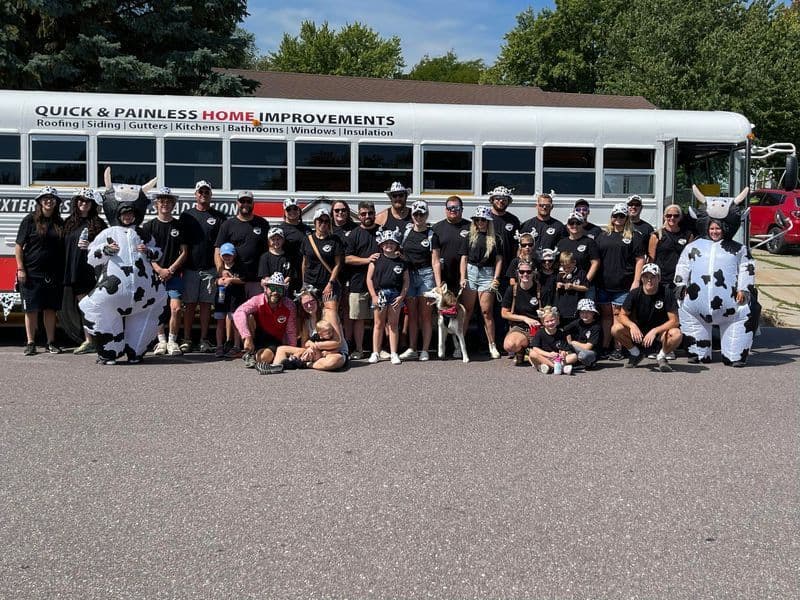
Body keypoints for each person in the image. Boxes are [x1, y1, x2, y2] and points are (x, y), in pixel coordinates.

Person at [80, 189, 166, 365]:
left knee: (148, 314)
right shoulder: (108, 233)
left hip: (144, 293)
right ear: (118, 214)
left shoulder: (143, 234)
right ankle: (110, 351)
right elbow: (91, 256)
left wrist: (148, 251)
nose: (127, 217)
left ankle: (136, 350)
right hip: (112, 291)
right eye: (124, 214)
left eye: (130, 214)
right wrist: (106, 250)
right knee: (97, 308)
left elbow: (158, 253)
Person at [674, 186, 757, 367]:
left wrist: (744, 289)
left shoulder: (739, 249)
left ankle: (735, 355)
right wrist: (680, 284)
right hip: (696, 304)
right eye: (712, 228)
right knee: (693, 323)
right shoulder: (693, 247)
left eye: (718, 229)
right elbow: (683, 266)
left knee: (741, 319)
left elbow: (747, 269)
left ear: (725, 228)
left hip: (732, 304)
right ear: (706, 227)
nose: (714, 231)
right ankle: (699, 352)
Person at [15, 187, 65, 355]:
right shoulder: (30, 220)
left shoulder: (60, 222)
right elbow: (19, 246)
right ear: (39, 202)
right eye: (45, 198)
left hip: (53, 274)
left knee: (50, 309)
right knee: (31, 309)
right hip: (31, 273)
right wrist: (21, 268)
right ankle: (30, 342)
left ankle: (51, 342)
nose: (49, 201)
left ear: (57, 202)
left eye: (52, 198)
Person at [179, 180, 227, 353]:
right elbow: (181, 244)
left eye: (206, 192)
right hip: (190, 268)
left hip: (210, 269)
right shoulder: (186, 216)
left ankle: (204, 339)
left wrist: (221, 269)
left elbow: (221, 246)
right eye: (200, 192)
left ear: (211, 195)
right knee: (190, 305)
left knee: (206, 305)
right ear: (195, 194)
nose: (203, 195)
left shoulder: (219, 217)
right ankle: (186, 339)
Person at [595, 202, 646, 360]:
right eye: (615, 215)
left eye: (622, 215)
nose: (618, 218)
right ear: (611, 217)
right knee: (606, 316)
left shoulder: (634, 236)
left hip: (624, 285)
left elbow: (640, 260)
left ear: (626, 217)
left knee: (619, 317)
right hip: (604, 284)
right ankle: (605, 347)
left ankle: (619, 348)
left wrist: (636, 281)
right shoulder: (602, 236)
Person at [612, 263, 682, 372]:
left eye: (653, 277)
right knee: (615, 329)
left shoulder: (667, 293)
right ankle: (636, 354)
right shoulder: (634, 293)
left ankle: (661, 356)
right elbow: (622, 315)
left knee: (677, 334)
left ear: (659, 278)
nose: (649, 280)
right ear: (641, 278)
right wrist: (632, 325)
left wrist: (655, 330)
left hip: (660, 334)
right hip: (639, 334)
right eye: (646, 277)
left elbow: (675, 321)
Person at [142, 187, 188, 357]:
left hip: (174, 275)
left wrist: (170, 269)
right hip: (155, 275)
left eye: (169, 201)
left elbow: (184, 252)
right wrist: (159, 269)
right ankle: (161, 341)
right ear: (156, 204)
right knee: (156, 309)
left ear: (174, 204)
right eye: (162, 201)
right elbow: (145, 252)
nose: (165, 204)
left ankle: (172, 341)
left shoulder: (179, 225)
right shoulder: (149, 226)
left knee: (175, 308)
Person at [63, 188, 107, 355]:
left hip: (91, 271)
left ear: (92, 204)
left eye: (87, 201)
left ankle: (95, 340)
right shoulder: (68, 222)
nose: (83, 203)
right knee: (84, 306)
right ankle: (91, 339)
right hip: (73, 271)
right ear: (76, 202)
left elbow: (107, 246)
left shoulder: (98, 223)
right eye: (80, 200)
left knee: (94, 306)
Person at [459, 205, 503, 359]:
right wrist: (462, 277)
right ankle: (460, 345)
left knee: (486, 312)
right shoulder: (469, 236)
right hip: (471, 272)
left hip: (487, 273)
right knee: (467, 311)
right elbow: (463, 258)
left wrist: (496, 279)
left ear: (488, 221)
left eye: (483, 219)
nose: (480, 222)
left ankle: (492, 345)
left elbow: (498, 260)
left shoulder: (496, 238)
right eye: (477, 219)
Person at [233, 272, 297, 369]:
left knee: (263, 358)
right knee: (248, 315)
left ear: (283, 291)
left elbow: (291, 330)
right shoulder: (257, 300)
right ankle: (249, 352)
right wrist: (247, 336)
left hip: (275, 340)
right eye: (272, 288)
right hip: (256, 335)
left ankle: (254, 356)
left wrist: (291, 350)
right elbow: (238, 312)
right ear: (266, 288)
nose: (275, 292)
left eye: (279, 289)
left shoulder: (289, 305)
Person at [398, 200, 435, 361]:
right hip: (409, 276)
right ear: (412, 215)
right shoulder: (405, 232)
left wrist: (438, 284)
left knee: (425, 315)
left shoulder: (432, 234)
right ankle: (412, 348)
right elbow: (399, 252)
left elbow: (435, 260)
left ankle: (425, 350)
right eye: (416, 214)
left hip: (426, 275)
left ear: (427, 215)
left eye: (422, 214)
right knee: (412, 315)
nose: (419, 217)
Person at [215, 190, 270, 299]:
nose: (245, 204)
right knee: (232, 313)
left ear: (253, 203)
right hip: (233, 279)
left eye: (248, 201)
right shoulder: (227, 225)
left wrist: (266, 275)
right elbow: (218, 251)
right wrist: (221, 270)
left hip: (256, 280)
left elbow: (269, 251)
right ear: (237, 203)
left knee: (256, 313)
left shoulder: (263, 223)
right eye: (242, 201)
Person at [367, 228, 409, 364]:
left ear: (397, 244)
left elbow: (406, 281)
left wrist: (402, 296)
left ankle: (394, 353)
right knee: (378, 324)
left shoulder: (402, 262)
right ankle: (375, 352)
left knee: (393, 324)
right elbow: (369, 279)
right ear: (381, 245)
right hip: (380, 294)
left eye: (392, 243)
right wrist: (373, 295)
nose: (389, 245)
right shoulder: (376, 259)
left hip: (395, 295)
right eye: (386, 243)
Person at [344, 201, 380, 359]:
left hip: (380, 283)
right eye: (364, 214)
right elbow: (347, 258)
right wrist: (368, 260)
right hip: (357, 283)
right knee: (358, 319)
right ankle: (359, 350)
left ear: (374, 213)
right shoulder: (354, 234)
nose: (367, 216)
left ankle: (377, 350)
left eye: (370, 213)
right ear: (359, 215)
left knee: (380, 319)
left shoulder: (382, 231)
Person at [301, 207, 344, 324]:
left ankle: (333, 341)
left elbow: (338, 264)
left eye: (326, 221)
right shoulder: (307, 240)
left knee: (330, 314)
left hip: (328, 283)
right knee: (310, 315)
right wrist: (303, 283)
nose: (323, 224)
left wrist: (330, 283)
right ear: (315, 222)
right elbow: (304, 263)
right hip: (310, 283)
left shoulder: (334, 240)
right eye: (320, 220)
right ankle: (312, 339)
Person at [268, 317, 348, 373]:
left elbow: (337, 345)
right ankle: (275, 367)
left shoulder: (327, 317)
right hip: (316, 353)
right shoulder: (307, 322)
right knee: (281, 349)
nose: (309, 305)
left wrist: (318, 348)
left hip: (329, 354)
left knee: (333, 361)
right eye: (305, 303)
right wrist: (310, 347)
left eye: (312, 301)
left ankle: (304, 364)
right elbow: (307, 343)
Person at [500, 259, 541, 365]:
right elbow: (504, 313)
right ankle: (522, 351)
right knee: (509, 345)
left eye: (528, 272)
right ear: (517, 273)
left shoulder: (540, 289)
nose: (525, 274)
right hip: (520, 327)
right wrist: (524, 318)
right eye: (522, 272)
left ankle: (531, 353)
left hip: (538, 327)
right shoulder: (512, 290)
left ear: (534, 272)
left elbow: (549, 310)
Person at [648, 204, 693, 291]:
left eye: (676, 216)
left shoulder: (688, 235)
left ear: (680, 217)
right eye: (669, 215)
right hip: (662, 280)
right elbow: (651, 260)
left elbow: (690, 259)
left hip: (680, 279)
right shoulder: (657, 235)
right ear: (665, 217)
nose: (672, 218)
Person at [432, 195, 471, 294]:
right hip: (445, 275)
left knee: (466, 308)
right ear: (445, 210)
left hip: (467, 275)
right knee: (445, 308)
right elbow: (434, 257)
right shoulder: (436, 228)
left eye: (456, 208)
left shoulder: (471, 227)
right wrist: (438, 282)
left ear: (462, 209)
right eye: (449, 208)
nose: (452, 210)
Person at [213, 243, 245, 358]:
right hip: (221, 298)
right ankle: (219, 346)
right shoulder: (219, 269)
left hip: (234, 298)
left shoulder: (238, 267)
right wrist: (219, 281)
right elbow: (214, 281)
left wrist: (231, 280)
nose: (227, 257)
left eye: (229, 255)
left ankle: (236, 345)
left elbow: (243, 280)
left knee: (235, 322)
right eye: (224, 255)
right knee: (220, 322)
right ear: (221, 256)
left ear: (234, 255)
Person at [556, 211, 600, 295]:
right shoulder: (561, 243)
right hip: (566, 286)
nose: (574, 225)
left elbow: (595, 263)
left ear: (582, 224)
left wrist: (585, 281)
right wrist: (559, 281)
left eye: (578, 223)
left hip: (584, 287)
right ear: (567, 225)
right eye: (571, 223)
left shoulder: (589, 242)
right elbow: (558, 264)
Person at [527, 306, 578, 374]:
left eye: (552, 320)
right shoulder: (540, 333)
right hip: (544, 357)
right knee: (532, 354)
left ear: (557, 320)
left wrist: (564, 353)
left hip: (557, 358)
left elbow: (565, 349)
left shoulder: (561, 333)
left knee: (574, 356)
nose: (550, 323)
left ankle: (548, 367)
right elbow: (535, 348)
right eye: (547, 321)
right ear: (543, 323)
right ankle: (558, 367)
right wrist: (548, 354)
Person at [280, 197, 312, 297]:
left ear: (299, 210)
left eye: (295, 208)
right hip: (286, 272)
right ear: (284, 211)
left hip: (305, 272)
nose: (292, 211)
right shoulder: (279, 230)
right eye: (289, 209)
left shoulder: (307, 229)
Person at [564, 298, 602, 370]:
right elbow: (564, 329)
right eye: (582, 312)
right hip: (576, 348)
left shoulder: (596, 327)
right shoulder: (578, 322)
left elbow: (588, 347)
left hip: (591, 352)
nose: (585, 314)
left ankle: (588, 363)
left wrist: (572, 342)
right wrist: (567, 338)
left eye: (588, 312)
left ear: (593, 313)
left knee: (583, 355)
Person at [555, 250, 588, 323]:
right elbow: (556, 287)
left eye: (569, 267)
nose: (566, 270)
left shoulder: (581, 273)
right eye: (564, 268)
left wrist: (573, 287)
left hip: (575, 307)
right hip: (562, 307)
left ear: (574, 263)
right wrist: (558, 285)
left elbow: (586, 288)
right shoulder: (560, 274)